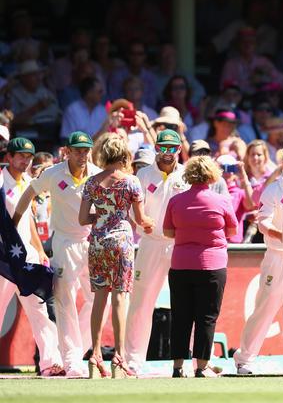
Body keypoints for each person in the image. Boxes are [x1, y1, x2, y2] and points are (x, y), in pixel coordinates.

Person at [13, 131, 102, 377]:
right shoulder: (53, 173)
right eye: (78, 150)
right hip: (64, 242)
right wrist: (14, 224)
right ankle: (72, 361)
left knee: (98, 300)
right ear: (67, 151)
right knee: (64, 301)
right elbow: (28, 193)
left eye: (86, 150)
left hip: (92, 241)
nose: (82, 155)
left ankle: (78, 352)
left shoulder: (97, 174)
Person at [79, 135, 153, 378]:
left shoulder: (91, 183)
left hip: (98, 242)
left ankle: (95, 355)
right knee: (120, 297)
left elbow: (82, 219)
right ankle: (119, 358)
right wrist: (148, 222)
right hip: (122, 242)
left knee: (99, 298)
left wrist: (102, 217)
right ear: (123, 155)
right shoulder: (131, 182)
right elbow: (141, 220)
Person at [233, 141, 283, 375]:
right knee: (265, 308)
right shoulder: (273, 190)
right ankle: (244, 359)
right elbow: (263, 223)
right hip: (277, 256)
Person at [163, 156, 237, 378]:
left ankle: (177, 366)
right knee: (206, 317)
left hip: (181, 265)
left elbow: (168, 232)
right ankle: (202, 367)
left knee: (181, 316)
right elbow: (232, 231)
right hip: (212, 266)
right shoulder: (221, 201)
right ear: (212, 175)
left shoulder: (176, 201)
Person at [123, 130, 190, 375]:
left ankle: (186, 360)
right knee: (141, 302)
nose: (167, 153)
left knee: (184, 303)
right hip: (150, 242)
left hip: (179, 244)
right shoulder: (143, 174)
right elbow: (131, 209)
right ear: (156, 148)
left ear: (178, 150)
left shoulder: (186, 175)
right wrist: (142, 222)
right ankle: (132, 360)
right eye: (163, 147)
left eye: (172, 148)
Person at [0, 137, 64, 377]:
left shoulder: (28, 181)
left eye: (29, 156)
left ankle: (50, 363)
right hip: (4, 257)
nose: (25, 160)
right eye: (21, 156)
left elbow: (28, 220)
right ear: (9, 157)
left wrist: (38, 250)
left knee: (40, 310)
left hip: (27, 257)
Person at [60, 77, 107, 141]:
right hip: (78, 149)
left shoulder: (102, 110)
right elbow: (67, 139)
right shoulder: (72, 110)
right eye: (99, 92)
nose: (102, 94)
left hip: (100, 148)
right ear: (89, 93)